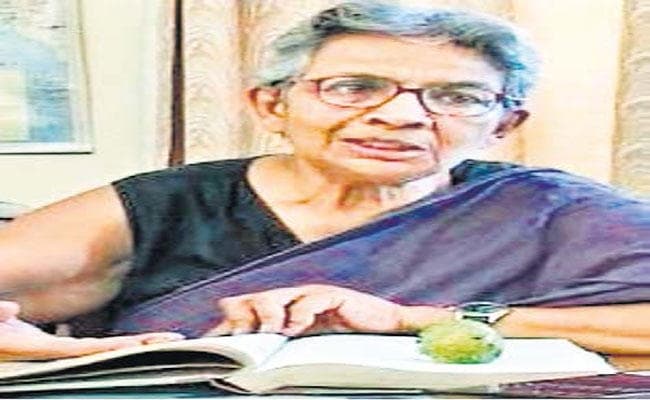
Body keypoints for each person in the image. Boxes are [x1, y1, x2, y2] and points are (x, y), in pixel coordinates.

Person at [0, 1, 649, 364]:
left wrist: (410, 319)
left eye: (457, 97)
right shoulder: (163, 208)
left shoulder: (549, 210)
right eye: (354, 87)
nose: (401, 115)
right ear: (272, 105)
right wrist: (43, 351)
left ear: (504, 124)